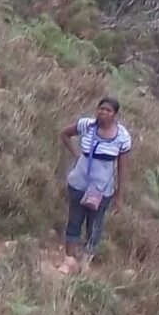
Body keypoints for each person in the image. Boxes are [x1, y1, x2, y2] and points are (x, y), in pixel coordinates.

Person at [59, 96, 134, 267]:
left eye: (108, 110)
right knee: (74, 220)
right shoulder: (86, 125)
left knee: (94, 225)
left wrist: (119, 196)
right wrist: (76, 154)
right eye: (101, 109)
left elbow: (122, 167)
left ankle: (85, 261)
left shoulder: (122, 137)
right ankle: (68, 259)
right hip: (79, 183)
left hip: (101, 189)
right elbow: (65, 133)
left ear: (115, 114)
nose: (103, 113)